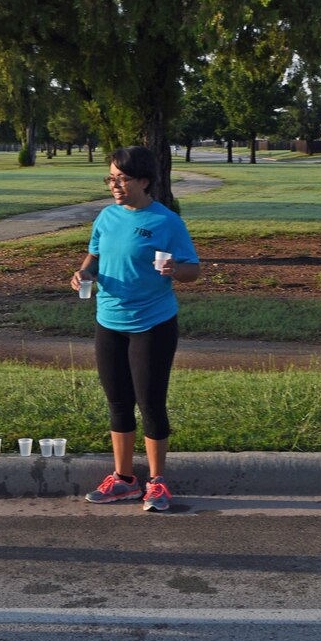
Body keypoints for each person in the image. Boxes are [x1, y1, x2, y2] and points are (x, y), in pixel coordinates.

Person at [70, 146, 200, 512]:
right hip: (108, 321)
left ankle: (157, 483)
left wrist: (176, 268)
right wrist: (85, 274)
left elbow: (194, 270)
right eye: (111, 178)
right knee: (118, 402)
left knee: (151, 402)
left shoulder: (167, 221)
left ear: (144, 181)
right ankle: (124, 479)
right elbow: (94, 255)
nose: (115, 185)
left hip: (152, 324)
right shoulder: (106, 217)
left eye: (122, 179)